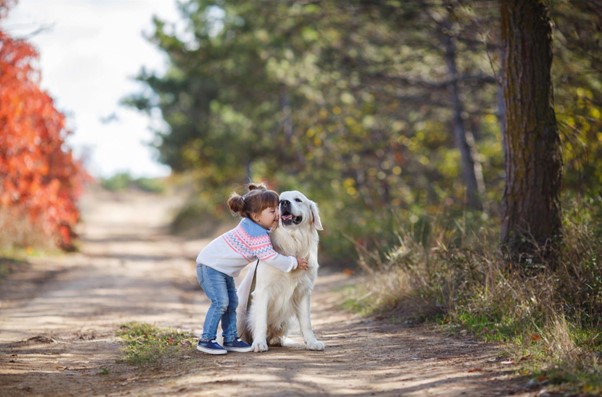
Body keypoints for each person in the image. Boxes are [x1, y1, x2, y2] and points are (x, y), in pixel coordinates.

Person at [195, 183, 309, 355]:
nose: (277, 214)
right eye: (272, 211)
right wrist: (293, 262)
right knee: (221, 303)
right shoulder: (256, 234)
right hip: (210, 267)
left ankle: (231, 338)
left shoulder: (253, 226)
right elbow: (269, 256)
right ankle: (206, 340)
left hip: (222, 270)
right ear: (256, 216)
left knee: (232, 303)